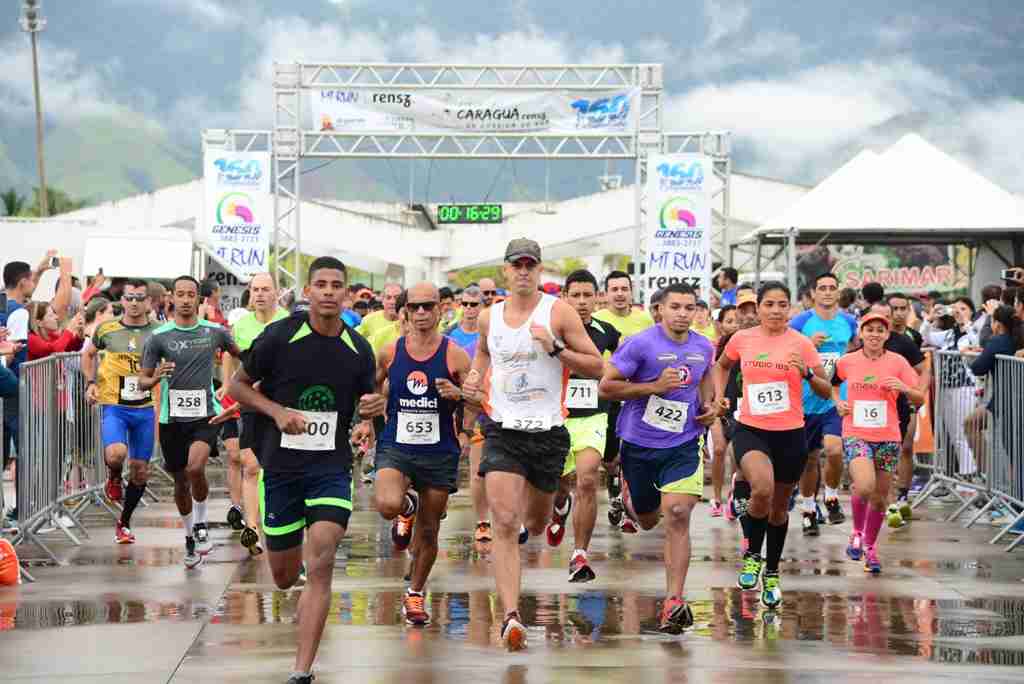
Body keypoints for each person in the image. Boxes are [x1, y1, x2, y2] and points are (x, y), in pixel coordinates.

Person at [227, 256, 383, 684]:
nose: (329, 291)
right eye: (321, 284)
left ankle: (301, 671)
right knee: (281, 577)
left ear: (346, 293)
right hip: (281, 468)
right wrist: (276, 411)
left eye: (337, 285)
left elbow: (368, 401)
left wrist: (372, 411)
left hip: (330, 467)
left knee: (323, 557)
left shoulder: (358, 348)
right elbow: (235, 386)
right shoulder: (279, 337)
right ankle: (288, 564)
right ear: (308, 292)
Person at [461, 238, 603, 651]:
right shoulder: (489, 318)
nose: (523, 271)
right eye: (516, 265)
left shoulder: (557, 312)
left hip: (548, 433)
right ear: (505, 271)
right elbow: (484, 356)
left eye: (531, 265)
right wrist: (474, 378)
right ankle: (509, 617)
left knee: (536, 525)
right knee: (504, 523)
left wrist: (556, 348)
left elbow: (597, 365)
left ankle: (558, 502)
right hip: (502, 429)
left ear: (539, 270)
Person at [600, 283, 716, 633]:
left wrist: (709, 406)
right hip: (639, 442)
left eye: (689, 307)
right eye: (676, 307)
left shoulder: (703, 346)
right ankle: (626, 495)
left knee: (678, 514)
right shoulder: (641, 344)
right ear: (659, 311)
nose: (683, 313)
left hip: (683, 442)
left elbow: (706, 376)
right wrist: (652, 387)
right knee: (648, 520)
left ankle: (674, 601)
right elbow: (607, 386)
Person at [712, 281, 829, 609]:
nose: (776, 310)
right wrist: (720, 396)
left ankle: (773, 571)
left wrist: (806, 373)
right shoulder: (742, 339)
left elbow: (825, 390)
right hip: (751, 429)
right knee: (760, 489)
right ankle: (752, 556)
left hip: (791, 434)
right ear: (758, 308)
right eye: (769, 304)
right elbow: (721, 366)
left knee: (778, 509)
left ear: (790, 309)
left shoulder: (802, 344)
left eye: (782, 304)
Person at [373, 282, 473, 625]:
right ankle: (406, 505)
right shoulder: (390, 352)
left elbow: (478, 398)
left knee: (429, 531)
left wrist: (461, 409)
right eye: (413, 307)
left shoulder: (455, 354)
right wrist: (366, 416)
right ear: (404, 312)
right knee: (387, 504)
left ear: (441, 309)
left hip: (439, 450)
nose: (420, 313)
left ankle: (415, 594)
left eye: (427, 306)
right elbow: (371, 389)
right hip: (396, 445)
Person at [140, 276, 240, 569]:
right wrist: (157, 376)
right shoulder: (158, 337)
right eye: (180, 294)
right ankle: (189, 536)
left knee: (196, 467)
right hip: (172, 418)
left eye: (191, 294)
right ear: (173, 297)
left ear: (199, 299)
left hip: (205, 414)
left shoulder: (215, 332)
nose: (185, 299)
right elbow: (143, 381)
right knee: (181, 481)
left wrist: (234, 383)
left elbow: (242, 356)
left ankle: (201, 525)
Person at [833, 313, 925, 573]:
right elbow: (831, 385)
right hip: (856, 433)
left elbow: (919, 398)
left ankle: (871, 549)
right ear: (861, 334)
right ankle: (856, 533)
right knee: (864, 486)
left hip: (888, 436)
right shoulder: (847, 361)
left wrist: (905, 389)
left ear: (887, 335)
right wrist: (838, 403)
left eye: (879, 330)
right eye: (869, 330)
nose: (874, 334)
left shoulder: (898, 362)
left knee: (880, 497)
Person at [545, 270, 620, 583]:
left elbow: (620, 367)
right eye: (575, 295)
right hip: (556, 417)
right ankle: (560, 506)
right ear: (565, 297)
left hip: (593, 416)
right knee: (557, 485)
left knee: (588, 479)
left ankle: (580, 554)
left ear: (597, 297)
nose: (582, 302)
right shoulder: (550, 330)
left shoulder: (608, 332)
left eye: (588, 295)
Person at [216, 273, 289, 555]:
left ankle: (276, 522)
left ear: (277, 293)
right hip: (249, 402)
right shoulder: (241, 325)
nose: (260, 294)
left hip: (281, 403)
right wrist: (226, 384)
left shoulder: (287, 322)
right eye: (255, 290)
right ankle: (252, 528)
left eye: (265, 290)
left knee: (277, 467)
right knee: (251, 465)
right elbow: (228, 355)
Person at [82, 280, 159, 544]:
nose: (134, 303)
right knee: (116, 454)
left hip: (145, 408)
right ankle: (114, 476)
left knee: (139, 471)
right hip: (114, 405)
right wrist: (91, 383)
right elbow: (88, 354)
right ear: (122, 301)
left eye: (140, 298)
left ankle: (124, 522)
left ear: (149, 302)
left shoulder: (159, 332)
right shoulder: (107, 329)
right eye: (129, 298)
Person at [789, 273, 858, 535]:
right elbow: (785, 349)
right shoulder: (801, 321)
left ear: (838, 293)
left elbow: (854, 351)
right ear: (814, 294)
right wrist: (807, 345)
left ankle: (830, 497)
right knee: (809, 459)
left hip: (834, 398)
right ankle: (808, 509)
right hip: (805, 399)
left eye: (832, 288)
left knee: (835, 449)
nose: (827, 292)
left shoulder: (848, 322)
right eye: (822, 288)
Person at [593, 271, 655, 523]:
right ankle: (613, 480)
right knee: (610, 457)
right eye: (614, 289)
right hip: (605, 391)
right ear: (605, 294)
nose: (619, 293)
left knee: (631, 449)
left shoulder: (645, 321)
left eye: (624, 289)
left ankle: (627, 499)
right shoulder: (597, 319)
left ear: (631, 292)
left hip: (635, 393)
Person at [446, 285, 489, 544]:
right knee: (462, 467)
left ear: (483, 306)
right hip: (458, 411)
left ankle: (491, 521)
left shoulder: (492, 335)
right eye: (466, 304)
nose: (470, 309)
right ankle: (438, 506)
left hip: (487, 409)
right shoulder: (450, 336)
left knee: (484, 470)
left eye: (475, 304)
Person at [707, 305, 738, 515]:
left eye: (737, 320)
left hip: (741, 409)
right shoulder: (711, 348)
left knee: (737, 454)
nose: (734, 325)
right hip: (717, 407)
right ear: (720, 325)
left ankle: (734, 496)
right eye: (729, 321)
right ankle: (716, 498)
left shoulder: (749, 346)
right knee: (719, 449)